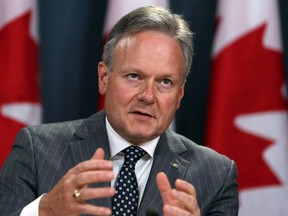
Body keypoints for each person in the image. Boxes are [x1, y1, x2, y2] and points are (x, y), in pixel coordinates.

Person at [0, 5, 238, 216]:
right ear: (104, 78)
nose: (148, 96)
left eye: (165, 82)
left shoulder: (216, 175)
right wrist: (45, 211)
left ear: (180, 94)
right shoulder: (36, 150)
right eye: (134, 76)